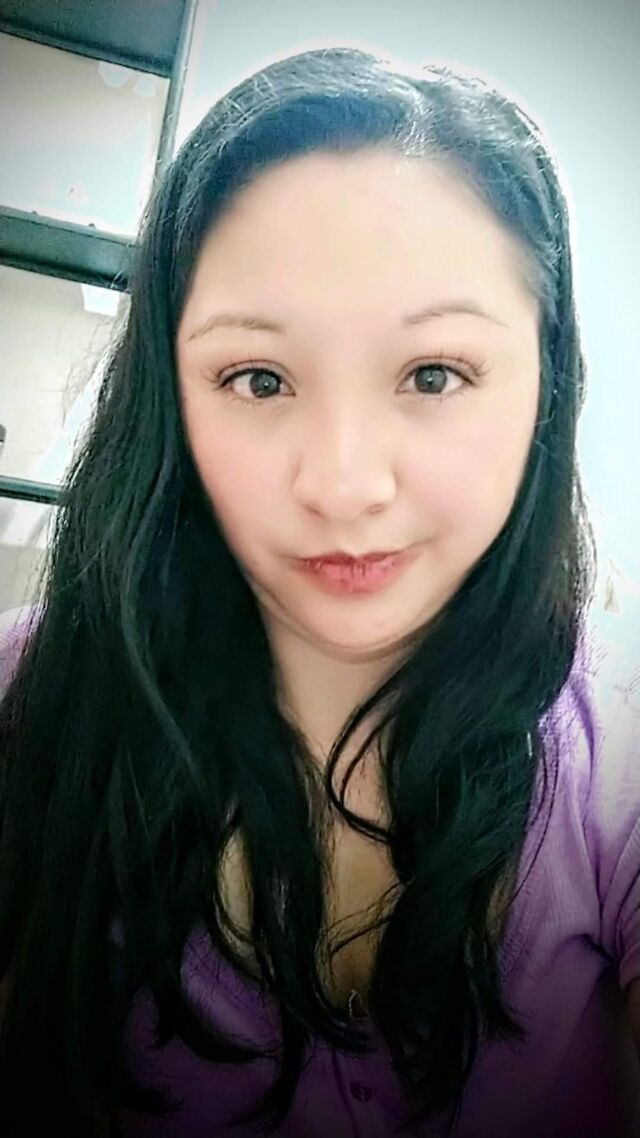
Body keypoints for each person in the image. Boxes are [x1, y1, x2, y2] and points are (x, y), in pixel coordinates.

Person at [0, 44, 638, 1138]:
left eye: (433, 375)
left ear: (547, 381)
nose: (343, 486)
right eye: (258, 378)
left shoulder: (613, 746)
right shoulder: (33, 694)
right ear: (169, 390)